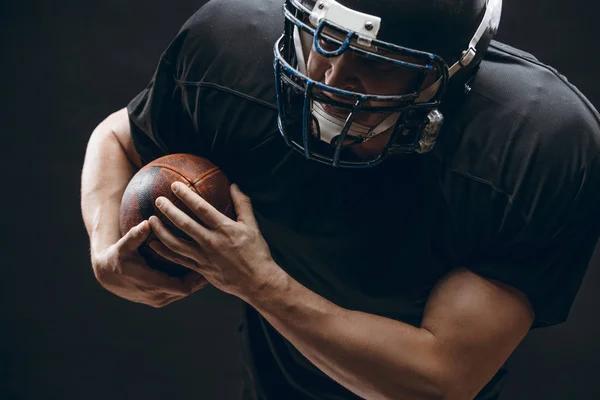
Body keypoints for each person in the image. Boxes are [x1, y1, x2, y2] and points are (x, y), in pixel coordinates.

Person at [80, 0, 600, 399]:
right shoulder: (231, 52)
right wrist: (106, 246)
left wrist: (260, 284)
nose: (329, 81)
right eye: (326, 40)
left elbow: (442, 381)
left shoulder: (532, 146)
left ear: (453, 72)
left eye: (376, 62)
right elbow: (117, 137)